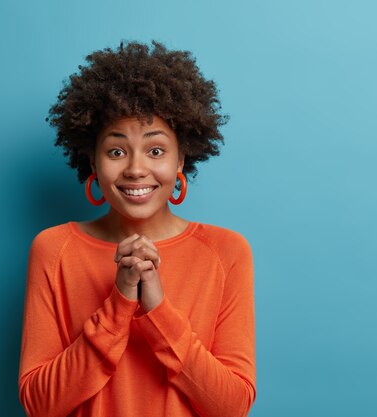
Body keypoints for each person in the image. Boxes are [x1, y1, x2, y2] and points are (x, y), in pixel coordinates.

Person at [18, 41, 256, 417]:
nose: (135, 169)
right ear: (91, 160)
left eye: (156, 150)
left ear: (182, 156)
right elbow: (40, 405)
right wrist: (120, 301)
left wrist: (157, 309)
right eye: (116, 151)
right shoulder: (53, 249)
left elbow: (231, 407)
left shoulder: (227, 252)